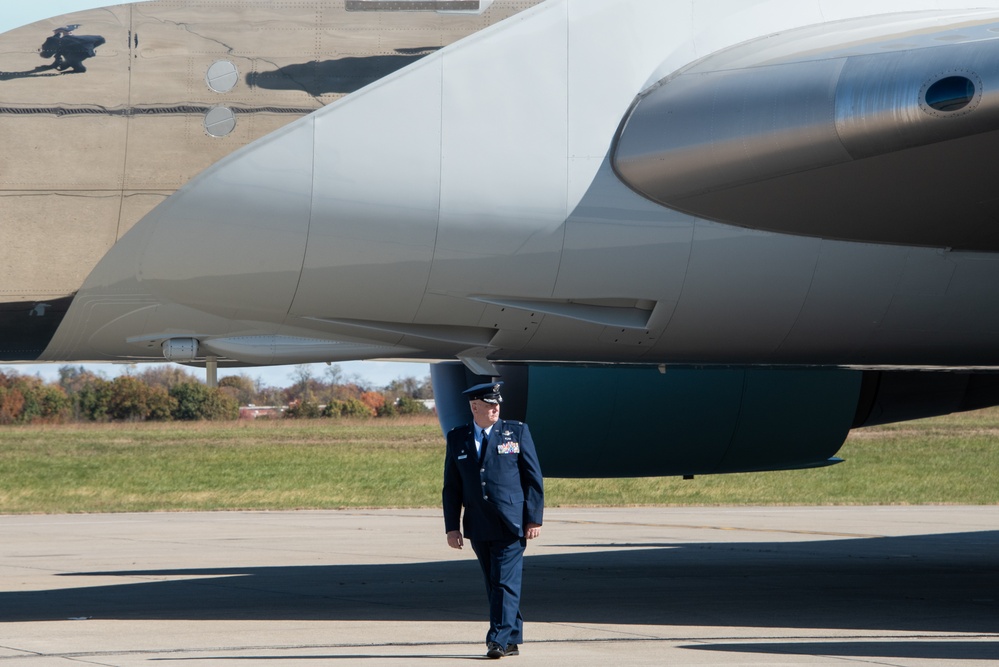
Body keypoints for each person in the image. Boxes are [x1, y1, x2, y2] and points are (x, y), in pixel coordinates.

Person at [442, 381, 544, 659]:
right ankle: (511, 638)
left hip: (511, 522)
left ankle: (496, 640)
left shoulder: (517, 432)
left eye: (497, 403)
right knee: (494, 582)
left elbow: (533, 478)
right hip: (478, 523)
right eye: (489, 404)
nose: (496, 407)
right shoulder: (458, 437)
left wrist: (533, 519)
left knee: (503, 582)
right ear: (474, 407)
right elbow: (452, 487)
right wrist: (452, 527)